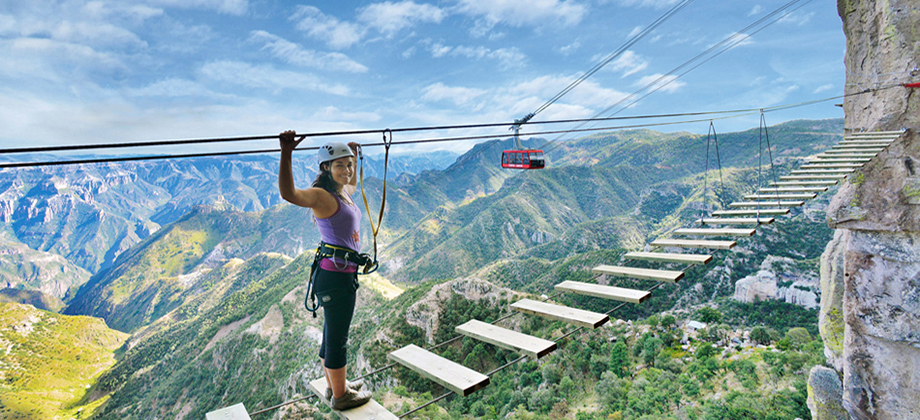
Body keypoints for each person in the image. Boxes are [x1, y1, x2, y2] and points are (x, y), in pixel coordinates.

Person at [278, 130, 372, 411]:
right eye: (340, 165)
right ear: (326, 167)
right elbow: (289, 193)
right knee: (337, 339)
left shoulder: (342, 193)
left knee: (332, 333)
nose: (347, 170)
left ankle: (335, 385)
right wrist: (286, 152)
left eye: (349, 164)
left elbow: (352, 183)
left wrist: (356, 156)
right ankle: (341, 397)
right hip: (336, 277)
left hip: (336, 273)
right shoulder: (321, 196)